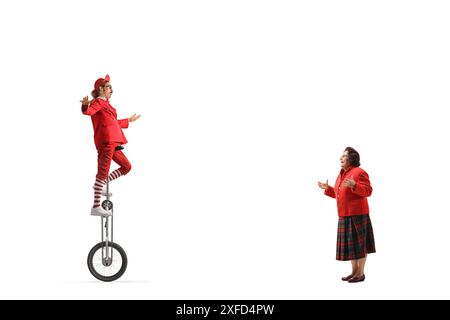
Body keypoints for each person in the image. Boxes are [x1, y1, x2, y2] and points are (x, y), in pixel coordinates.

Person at [80, 74, 141, 216]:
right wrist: (85, 105)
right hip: (107, 141)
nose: (111, 90)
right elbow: (88, 111)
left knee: (126, 166)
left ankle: (103, 183)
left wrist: (128, 120)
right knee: (103, 170)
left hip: (114, 141)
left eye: (111, 88)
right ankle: (96, 206)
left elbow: (114, 123)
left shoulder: (106, 105)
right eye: (108, 87)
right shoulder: (98, 102)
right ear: (101, 89)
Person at [318, 147, 375, 283]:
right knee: (352, 247)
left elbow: (368, 191)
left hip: (358, 214)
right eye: (341, 156)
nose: (341, 158)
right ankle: (354, 272)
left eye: (344, 156)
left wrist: (355, 185)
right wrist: (328, 189)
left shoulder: (360, 172)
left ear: (351, 158)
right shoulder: (341, 174)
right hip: (344, 215)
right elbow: (340, 195)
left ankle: (360, 273)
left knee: (360, 246)